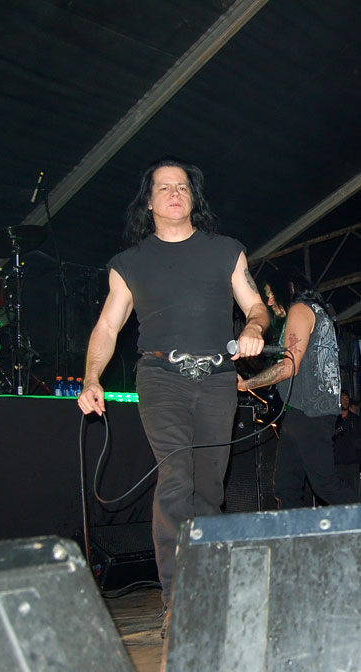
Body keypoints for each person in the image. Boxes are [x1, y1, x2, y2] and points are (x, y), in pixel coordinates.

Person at [77, 157, 269, 636]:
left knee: (209, 491)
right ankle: (178, 601)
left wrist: (252, 328)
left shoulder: (225, 250)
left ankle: (209, 593)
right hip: (161, 377)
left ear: (193, 196)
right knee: (176, 478)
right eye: (164, 187)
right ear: (149, 201)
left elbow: (256, 306)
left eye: (182, 186)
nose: (174, 193)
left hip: (218, 378)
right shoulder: (130, 263)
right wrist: (91, 378)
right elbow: (107, 327)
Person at [237, 271, 359, 508]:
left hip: (311, 411)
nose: (269, 301)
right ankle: (291, 531)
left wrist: (245, 385)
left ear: (289, 287)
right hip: (300, 411)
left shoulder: (301, 309)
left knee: (324, 484)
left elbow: (288, 367)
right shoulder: (313, 313)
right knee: (286, 486)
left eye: (271, 294)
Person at [333, 391, 361, 495]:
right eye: (342, 398)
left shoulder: (356, 420)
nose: (345, 401)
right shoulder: (332, 420)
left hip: (353, 464)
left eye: (346, 399)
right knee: (339, 495)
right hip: (337, 464)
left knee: (354, 494)